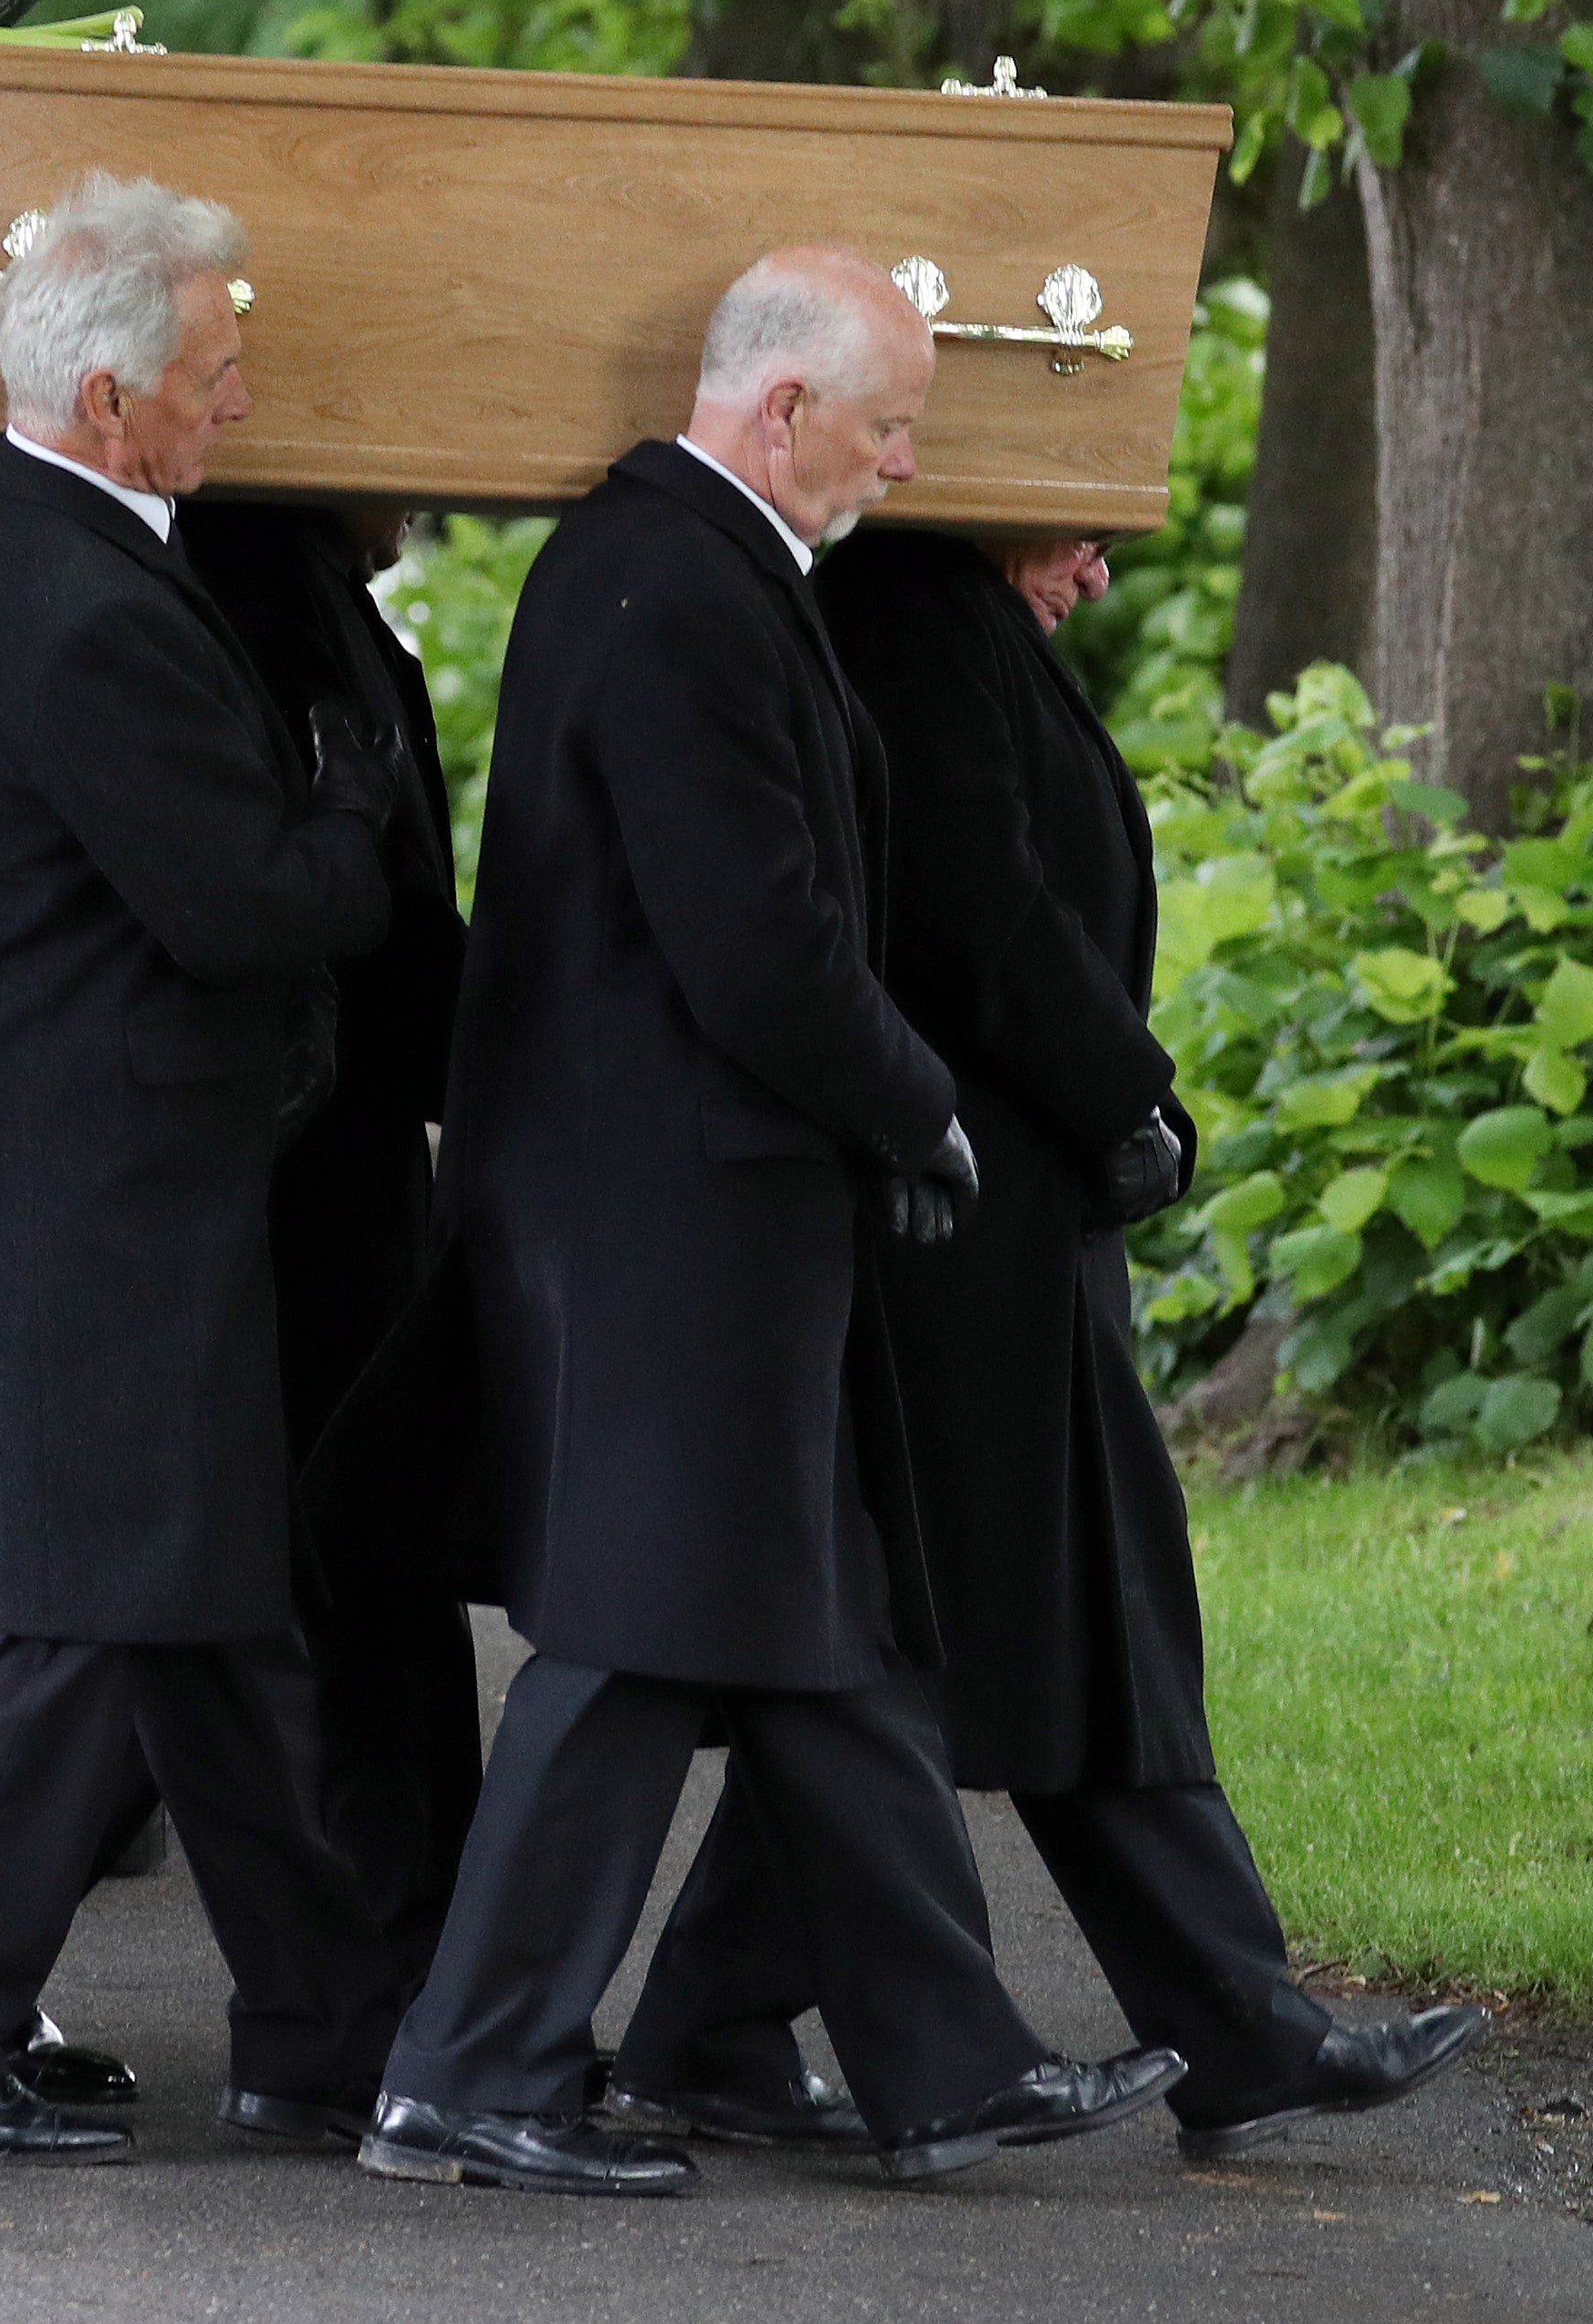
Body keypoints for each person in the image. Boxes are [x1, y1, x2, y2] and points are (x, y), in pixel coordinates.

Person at [359, 246, 1183, 2198]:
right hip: (672, 1209)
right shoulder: (673, 589)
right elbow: (752, 934)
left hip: (695, 1196)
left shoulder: (692, 572)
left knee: (833, 1647)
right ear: (782, 404)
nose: (903, 466)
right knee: (633, 1648)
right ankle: (464, 2070)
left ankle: (941, 2060)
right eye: (890, 426)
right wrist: (920, 1107)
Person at [613, 523, 1483, 2161]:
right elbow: (974, 902)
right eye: (1078, 539)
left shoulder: (940, 610)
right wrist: (1125, 1089)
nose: (1092, 579)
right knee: (976, 1635)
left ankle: (1215, 2022)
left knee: (1045, 1623)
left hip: (1014, 1213)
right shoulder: (909, 610)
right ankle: (736, 2022)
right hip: (961, 1215)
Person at [0, 173, 411, 2166]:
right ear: (102, 399)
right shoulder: (79, 602)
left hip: (104, 1182)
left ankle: (331, 2033)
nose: (238, 410)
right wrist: (353, 803)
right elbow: (243, 902)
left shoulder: (55, 544)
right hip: (85, 1204)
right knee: (73, 1624)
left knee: (212, 1625)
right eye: (214, 380)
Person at [174, 492, 480, 1968]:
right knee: (351, 1562)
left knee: (345, 1568)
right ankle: (385, 1947)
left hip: (322, 1145)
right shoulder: (270, 599)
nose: (419, 503)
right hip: (311, 1158)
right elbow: (358, 910)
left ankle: (386, 1950)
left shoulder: (289, 589)